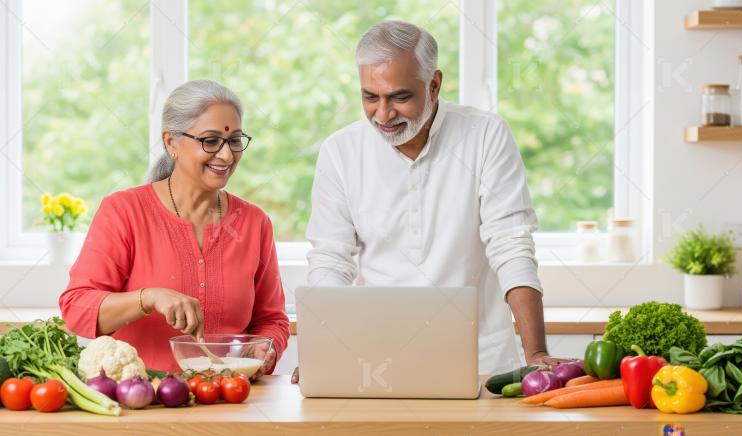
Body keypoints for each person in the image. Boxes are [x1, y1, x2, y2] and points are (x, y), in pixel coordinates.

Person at [295, 21, 572, 383]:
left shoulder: (485, 135)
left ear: (435, 84)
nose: (383, 114)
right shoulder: (340, 151)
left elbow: (511, 243)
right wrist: (323, 350)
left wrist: (536, 352)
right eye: (370, 97)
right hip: (378, 360)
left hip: (482, 358)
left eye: (399, 97)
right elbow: (331, 258)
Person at [59, 80, 289, 377]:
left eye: (234, 141)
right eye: (210, 141)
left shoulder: (255, 223)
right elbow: (76, 308)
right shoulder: (124, 211)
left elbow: (272, 319)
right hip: (146, 402)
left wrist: (266, 347)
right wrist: (149, 297)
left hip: (234, 401)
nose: (226, 155)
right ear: (171, 143)